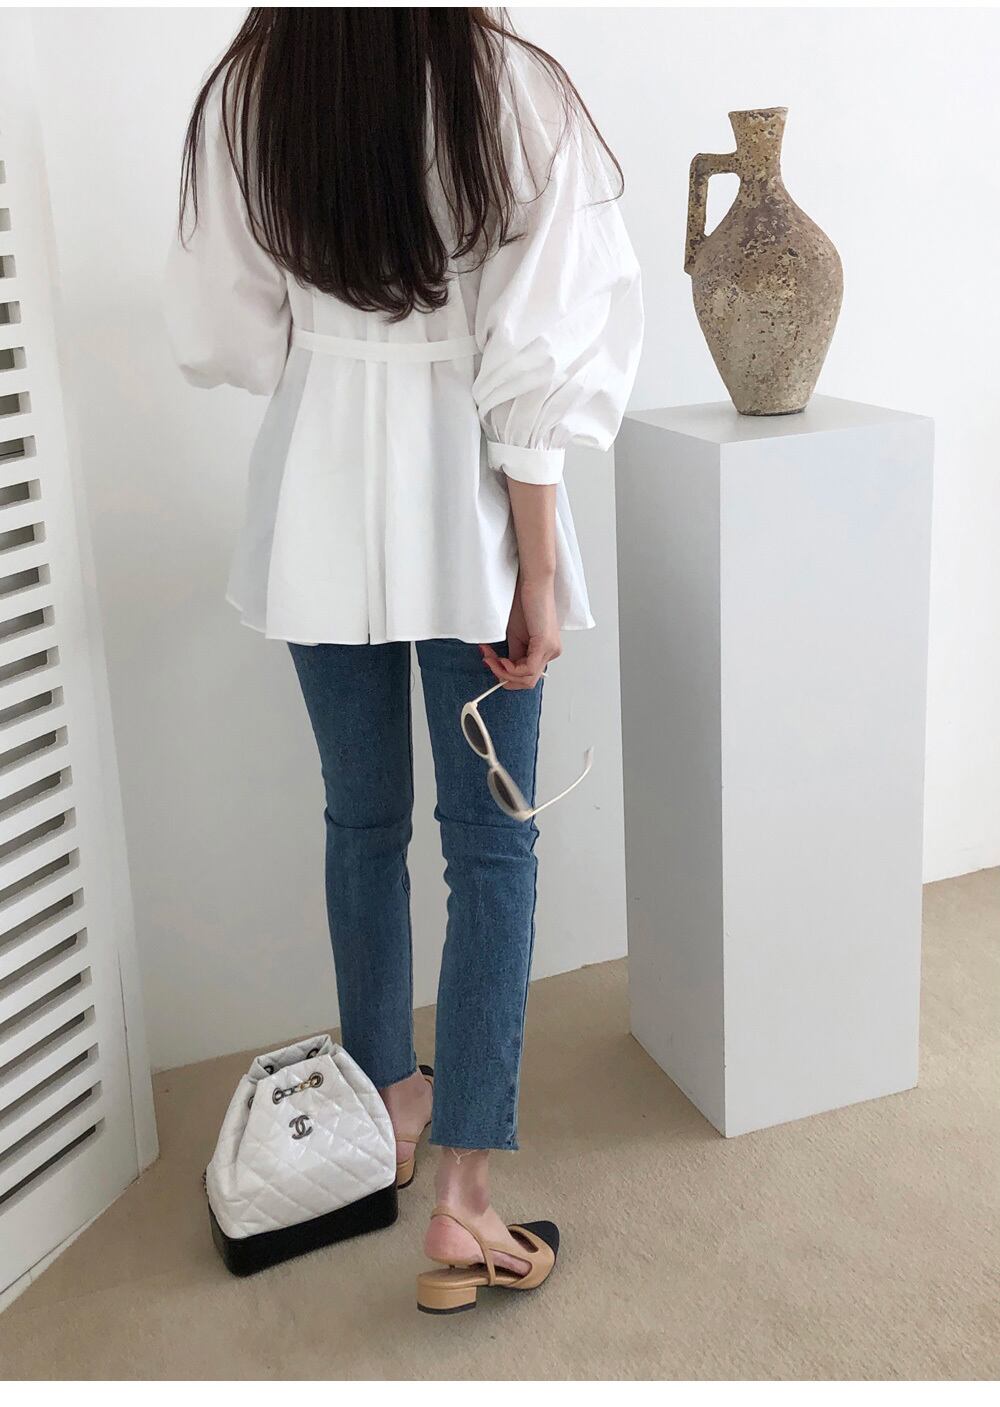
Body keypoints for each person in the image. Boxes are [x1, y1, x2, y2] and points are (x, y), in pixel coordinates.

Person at [164, 7, 642, 1314]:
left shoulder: (259, 82)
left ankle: (382, 1098)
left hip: (316, 508)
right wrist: (536, 572)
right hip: (468, 508)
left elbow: (225, 335)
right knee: (491, 845)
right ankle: (464, 1197)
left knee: (361, 823)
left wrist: (339, 355)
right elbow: (539, 351)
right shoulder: (510, 83)